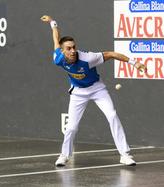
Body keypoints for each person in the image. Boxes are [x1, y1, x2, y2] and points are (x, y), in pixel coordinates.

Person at [40, 15, 147, 167]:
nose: (73, 50)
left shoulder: (88, 58)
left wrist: (134, 63)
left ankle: (125, 155)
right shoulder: (58, 58)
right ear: (63, 52)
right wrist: (52, 23)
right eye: (69, 48)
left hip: (97, 89)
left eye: (74, 47)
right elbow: (56, 40)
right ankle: (64, 155)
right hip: (78, 92)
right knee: (71, 127)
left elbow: (110, 54)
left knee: (112, 115)